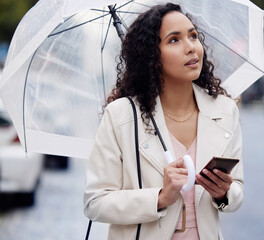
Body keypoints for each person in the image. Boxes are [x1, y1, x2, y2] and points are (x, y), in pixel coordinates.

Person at [83, 3, 244, 240]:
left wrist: (224, 192)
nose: (191, 48)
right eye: (174, 40)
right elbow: (95, 202)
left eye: (193, 36)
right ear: (152, 57)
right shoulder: (121, 116)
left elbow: (237, 190)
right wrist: (159, 198)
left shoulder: (225, 111)